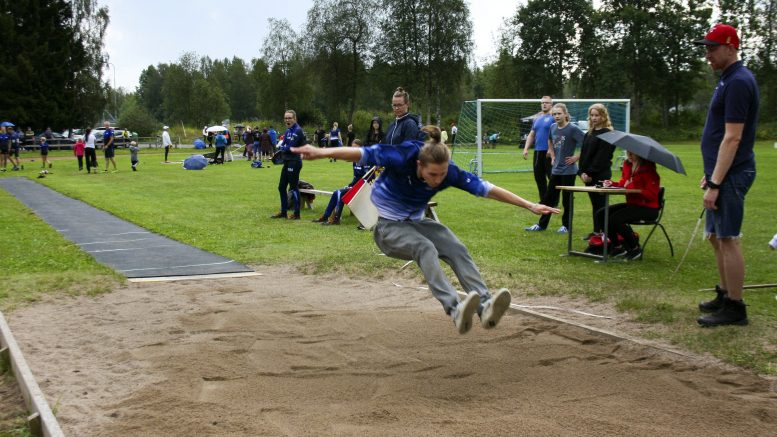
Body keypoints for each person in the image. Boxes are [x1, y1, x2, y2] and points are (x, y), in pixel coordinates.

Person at [293, 125, 559, 334]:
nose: (437, 180)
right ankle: (455, 309)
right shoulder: (402, 156)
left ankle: (486, 306)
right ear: (420, 165)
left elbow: (487, 189)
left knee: (454, 246)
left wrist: (529, 205)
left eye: (442, 175)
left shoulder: (448, 171)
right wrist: (322, 151)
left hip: (416, 222)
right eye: (433, 175)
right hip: (387, 229)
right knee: (425, 247)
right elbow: (362, 153)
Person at [693, 24, 759, 327]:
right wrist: (711, 175)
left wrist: (717, 182)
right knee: (716, 237)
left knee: (728, 238)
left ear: (731, 47)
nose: (708, 54)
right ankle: (724, 293)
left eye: (713, 48)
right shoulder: (726, 80)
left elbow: (732, 137)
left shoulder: (739, 82)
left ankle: (735, 307)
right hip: (720, 173)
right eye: (706, 48)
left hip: (732, 174)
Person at [525, 103, 584, 233]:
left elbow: (587, 144)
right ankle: (541, 225)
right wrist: (552, 155)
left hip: (569, 171)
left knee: (567, 200)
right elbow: (550, 141)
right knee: (548, 198)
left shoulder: (572, 129)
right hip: (556, 169)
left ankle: (566, 226)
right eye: (554, 114)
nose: (556, 116)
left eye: (559, 114)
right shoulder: (553, 127)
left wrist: (576, 158)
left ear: (565, 115)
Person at [597, 151, 660, 260]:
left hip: (649, 208)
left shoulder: (650, 171)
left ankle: (635, 249)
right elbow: (624, 183)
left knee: (615, 219)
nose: (629, 155)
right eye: (627, 152)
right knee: (601, 214)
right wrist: (612, 183)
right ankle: (617, 247)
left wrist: (630, 186)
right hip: (633, 204)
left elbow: (651, 195)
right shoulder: (627, 164)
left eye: (632, 153)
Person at [577, 103, 616, 237]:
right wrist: (581, 172)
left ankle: (605, 232)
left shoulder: (608, 134)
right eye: (592, 115)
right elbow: (583, 154)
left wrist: (590, 173)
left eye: (597, 115)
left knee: (601, 205)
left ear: (603, 116)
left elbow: (602, 157)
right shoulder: (589, 133)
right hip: (587, 175)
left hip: (600, 175)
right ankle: (596, 231)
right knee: (595, 204)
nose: (594, 118)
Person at [311, 139, 368, 225]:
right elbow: (356, 177)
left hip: (363, 188)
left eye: (356, 148)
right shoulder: (355, 160)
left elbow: (366, 178)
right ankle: (325, 216)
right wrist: (351, 185)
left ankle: (336, 219)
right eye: (353, 148)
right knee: (335, 193)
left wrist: (354, 187)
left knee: (339, 193)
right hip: (355, 186)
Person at [271, 110, 306, 220]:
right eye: (286, 118)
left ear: (294, 119)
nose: (287, 120)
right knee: (281, 187)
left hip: (295, 162)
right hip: (287, 161)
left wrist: (282, 148)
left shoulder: (298, 130)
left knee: (293, 188)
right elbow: (284, 145)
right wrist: (283, 148)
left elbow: (290, 147)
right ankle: (283, 211)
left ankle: (296, 213)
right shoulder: (288, 131)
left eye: (289, 118)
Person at [522, 96, 555, 201]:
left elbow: (557, 134)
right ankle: (544, 200)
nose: (544, 104)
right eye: (542, 103)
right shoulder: (537, 119)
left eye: (546, 102)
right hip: (538, 151)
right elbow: (532, 134)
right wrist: (526, 148)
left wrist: (552, 149)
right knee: (539, 177)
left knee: (552, 177)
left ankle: (553, 200)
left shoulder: (554, 117)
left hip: (550, 152)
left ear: (551, 104)